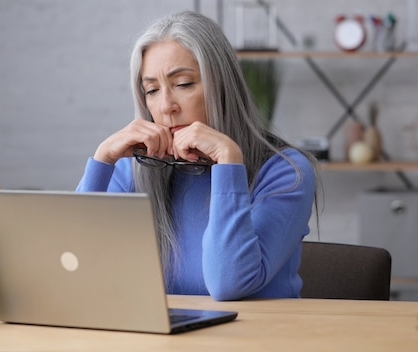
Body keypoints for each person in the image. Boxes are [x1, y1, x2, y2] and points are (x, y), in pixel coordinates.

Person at [76, 10, 318, 301]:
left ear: (222, 85)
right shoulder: (133, 171)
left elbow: (228, 284)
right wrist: (102, 161)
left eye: (183, 84)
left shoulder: (285, 171)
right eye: (151, 90)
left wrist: (229, 163)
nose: (166, 106)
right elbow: (71, 267)